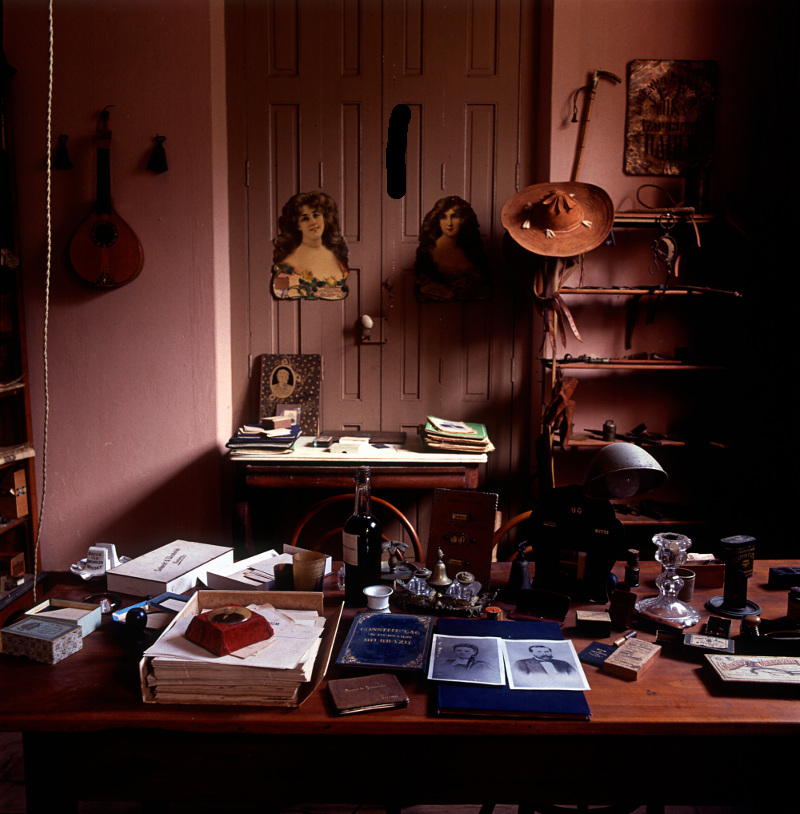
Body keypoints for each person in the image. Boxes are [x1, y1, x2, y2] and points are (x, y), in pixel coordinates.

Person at [271, 191, 349, 300]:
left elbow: (342, 291)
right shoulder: (288, 264)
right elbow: (280, 292)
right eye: (305, 218)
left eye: (316, 215)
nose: (313, 222)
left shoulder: (335, 255)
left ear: (324, 218)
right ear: (298, 225)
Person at [414, 196, 491, 301]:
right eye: (444, 217)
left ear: (463, 220)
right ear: (438, 220)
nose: (449, 223)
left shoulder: (472, 250)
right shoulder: (428, 251)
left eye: (454, 216)